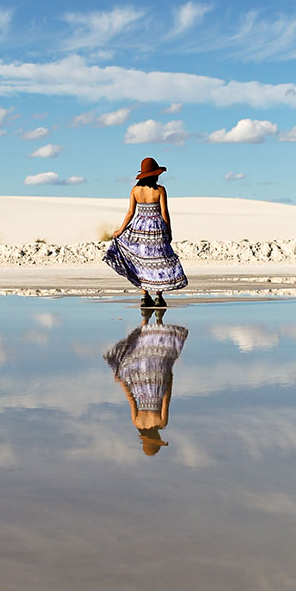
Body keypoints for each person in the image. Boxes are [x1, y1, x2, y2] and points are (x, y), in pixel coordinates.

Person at [102, 156, 188, 307]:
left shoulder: (135, 190)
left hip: (139, 228)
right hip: (156, 229)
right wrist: (169, 230)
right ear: (155, 174)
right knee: (159, 261)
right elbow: (164, 213)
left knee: (141, 261)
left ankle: (144, 295)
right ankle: (158, 296)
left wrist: (120, 231)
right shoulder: (160, 190)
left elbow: (130, 212)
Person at [104, 311, 189, 455]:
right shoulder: (137, 422)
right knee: (141, 354)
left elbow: (166, 400)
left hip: (158, 382)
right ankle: (145, 321)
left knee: (160, 354)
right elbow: (131, 400)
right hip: (140, 386)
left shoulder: (161, 423)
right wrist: (122, 381)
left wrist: (169, 377)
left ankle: (159, 320)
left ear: (156, 438)